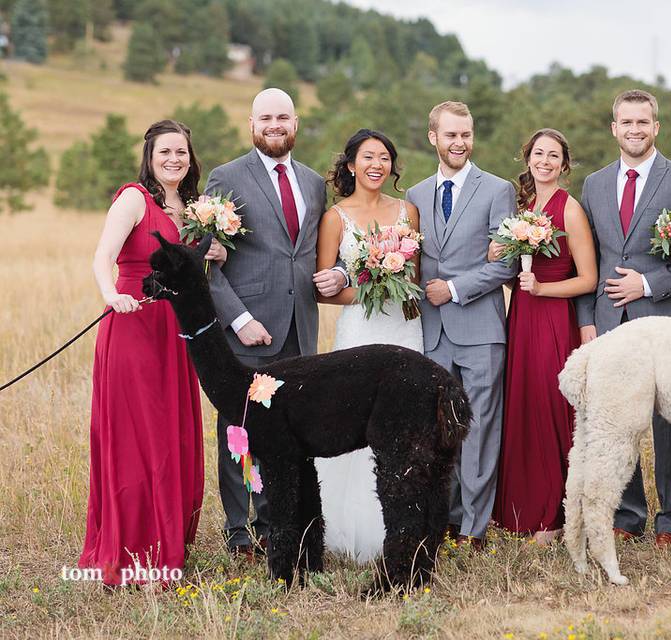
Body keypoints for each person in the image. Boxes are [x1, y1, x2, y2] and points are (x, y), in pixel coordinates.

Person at [81, 120, 226, 585]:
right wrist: (109, 293)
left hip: (176, 330)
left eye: (182, 152)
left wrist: (213, 252)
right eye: (165, 151)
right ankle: (130, 547)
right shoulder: (133, 200)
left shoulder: (195, 209)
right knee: (136, 434)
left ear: (191, 157)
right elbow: (103, 254)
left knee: (171, 432)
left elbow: (186, 268)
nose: (174, 159)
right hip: (132, 322)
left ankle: (168, 541)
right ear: (150, 155)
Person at [205, 88, 347, 557]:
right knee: (240, 428)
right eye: (265, 117)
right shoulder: (227, 177)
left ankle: (274, 522)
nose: (274, 124)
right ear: (251, 124)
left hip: (298, 330)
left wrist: (340, 275)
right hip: (249, 329)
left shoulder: (311, 183)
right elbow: (208, 264)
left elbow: (313, 253)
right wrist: (239, 319)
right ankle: (237, 528)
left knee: (286, 430)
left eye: (282, 117)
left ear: (296, 123)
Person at [574, 90, 671, 549]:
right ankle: (629, 515)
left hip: (666, 321)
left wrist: (649, 284)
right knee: (620, 421)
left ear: (656, 127)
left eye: (643, 122)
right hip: (609, 320)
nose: (634, 130)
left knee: (668, 425)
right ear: (614, 128)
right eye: (626, 123)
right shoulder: (594, 184)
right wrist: (586, 320)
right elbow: (587, 259)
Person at [406, 101, 517, 549]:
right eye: (451, 134)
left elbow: (507, 263)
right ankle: (445, 517)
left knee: (479, 427)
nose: (460, 143)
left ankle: (474, 526)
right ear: (433, 136)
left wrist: (452, 289)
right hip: (432, 334)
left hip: (480, 330)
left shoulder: (497, 190)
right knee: (438, 430)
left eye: (466, 134)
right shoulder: (414, 196)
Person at [313, 129, 423, 562]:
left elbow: (411, 276)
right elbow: (323, 288)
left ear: (392, 166)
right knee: (352, 420)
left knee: (404, 426)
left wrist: (396, 284)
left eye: (384, 157)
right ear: (351, 165)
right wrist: (371, 290)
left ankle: (401, 525)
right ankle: (346, 530)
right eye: (368, 157)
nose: (376, 165)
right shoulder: (335, 218)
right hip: (359, 330)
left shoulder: (407, 211)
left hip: (403, 330)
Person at [490, 129, 597, 544]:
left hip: (553, 317)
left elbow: (587, 279)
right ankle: (520, 509)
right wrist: (500, 252)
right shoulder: (520, 207)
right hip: (521, 317)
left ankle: (555, 515)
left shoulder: (569, 210)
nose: (546, 161)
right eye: (539, 153)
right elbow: (496, 255)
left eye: (554, 156)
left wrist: (542, 289)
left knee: (553, 410)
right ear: (528, 158)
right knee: (522, 405)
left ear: (564, 164)